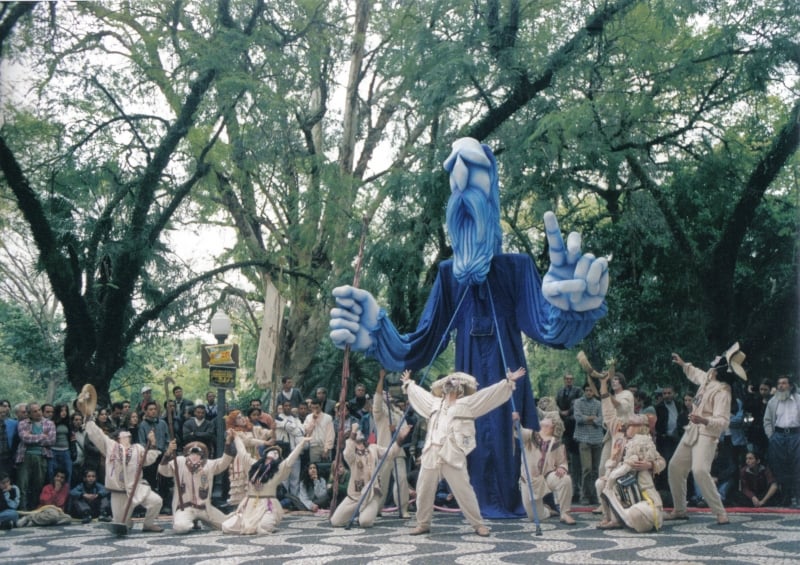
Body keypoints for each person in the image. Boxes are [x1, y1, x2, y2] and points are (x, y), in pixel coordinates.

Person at [329, 138, 609, 518]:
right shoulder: (449, 276)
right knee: (464, 437)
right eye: (455, 177)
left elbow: (548, 327)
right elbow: (421, 344)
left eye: (474, 172)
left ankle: (518, 497)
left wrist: (572, 311)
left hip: (508, 375)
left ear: (492, 191)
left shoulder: (515, 268)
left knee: (508, 439)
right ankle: (466, 505)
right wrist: (379, 332)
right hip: (464, 381)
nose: (461, 182)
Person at [400, 366, 527, 537]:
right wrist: (408, 383)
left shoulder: (467, 403)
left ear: (460, 389)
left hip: (452, 452)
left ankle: (478, 524)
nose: (451, 383)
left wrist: (507, 382)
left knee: (464, 491)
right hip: (432, 451)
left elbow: (488, 395)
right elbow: (418, 394)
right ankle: (423, 523)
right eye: (449, 381)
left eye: (455, 381)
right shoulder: (434, 403)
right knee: (423, 489)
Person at [666, 344, 746, 525]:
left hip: (707, 434)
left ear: (721, 368)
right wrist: (683, 364)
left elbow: (723, 421)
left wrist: (704, 420)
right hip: (692, 430)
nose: (715, 358)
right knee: (675, 467)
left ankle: (720, 512)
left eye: (719, 359)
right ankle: (680, 509)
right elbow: (697, 374)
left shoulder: (723, 391)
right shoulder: (709, 378)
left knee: (700, 470)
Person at [84, 415, 164, 533]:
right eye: (124, 435)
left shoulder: (138, 448)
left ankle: (148, 524)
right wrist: (89, 421)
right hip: (119, 491)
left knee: (156, 501)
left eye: (129, 436)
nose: (127, 437)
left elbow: (148, 460)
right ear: (117, 438)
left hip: (137, 487)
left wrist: (152, 444)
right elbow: (98, 436)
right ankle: (127, 521)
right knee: (121, 523)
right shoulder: (111, 446)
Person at [221, 435, 311, 535]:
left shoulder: (278, 470)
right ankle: (250, 525)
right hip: (250, 505)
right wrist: (236, 438)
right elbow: (243, 453)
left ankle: (257, 525)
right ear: (265, 454)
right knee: (226, 526)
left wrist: (302, 443)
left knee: (265, 526)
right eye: (272, 451)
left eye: (277, 453)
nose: (274, 453)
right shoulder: (253, 465)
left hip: (267, 505)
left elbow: (290, 460)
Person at [329, 421, 411, 528]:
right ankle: (359, 512)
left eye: (359, 431)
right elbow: (347, 453)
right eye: (355, 433)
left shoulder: (373, 448)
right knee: (335, 521)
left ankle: (365, 513)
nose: (358, 432)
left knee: (365, 522)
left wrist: (400, 439)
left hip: (372, 495)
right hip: (355, 496)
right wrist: (353, 433)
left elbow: (390, 453)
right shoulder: (351, 454)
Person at [596, 414, 665, 532]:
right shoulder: (620, 441)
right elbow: (614, 462)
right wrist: (610, 466)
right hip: (620, 478)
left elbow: (662, 462)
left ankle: (621, 519)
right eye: (628, 425)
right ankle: (609, 518)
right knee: (600, 483)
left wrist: (650, 465)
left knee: (612, 485)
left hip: (639, 484)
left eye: (631, 425)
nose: (627, 428)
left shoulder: (643, 442)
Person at [158, 430, 236, 533]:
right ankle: (190, 521)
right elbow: (163, 470)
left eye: (198, 454)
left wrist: (228, 443)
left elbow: (224, 462)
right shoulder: (180, 462)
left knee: (228, 525)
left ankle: (205, 520)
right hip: (185, 508)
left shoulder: (209, 465)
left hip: (205, 508)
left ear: (204, 456)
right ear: (186, 454)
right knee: (180, 527)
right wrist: (168, 453)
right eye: (192, 453)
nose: (195, 457)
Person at [514, 411, 576, 525]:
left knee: (565, 479)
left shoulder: (557, 443)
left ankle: (565, 513)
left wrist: (562, 468)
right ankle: (547, 510)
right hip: (529, 480)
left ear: (553, 426)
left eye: (549, 418)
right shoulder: (530, 435)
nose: (544, 418)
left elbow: (562, 462)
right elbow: (520, 431)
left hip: (547, 477)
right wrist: (516, 421)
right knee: (534, 516)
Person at [373, 368, 411, 518]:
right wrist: (381, 378)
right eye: (385, 394)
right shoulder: (379, 412)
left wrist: (397, 431)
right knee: (382, 481)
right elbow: (377, 397)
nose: (387, 395)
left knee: (402, 479)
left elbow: (405, 431)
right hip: (383, 450)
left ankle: (403, 508)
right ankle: (377, 508)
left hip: (398, 451)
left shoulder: (399, 412)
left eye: (388, 394)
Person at [763, 375, 800, 507]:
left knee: (797, 466)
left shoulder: (798, 400)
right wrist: (771, 437)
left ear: (790, 386)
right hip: (778, 436)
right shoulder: (773, 402)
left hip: (796, 435)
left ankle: (798, 497)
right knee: (780, 467)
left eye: (784, 383)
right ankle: (786, 498)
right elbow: (767, 421)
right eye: (779, 383)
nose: (780, 386)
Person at [15, 402, 55, 510]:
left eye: (39, 410)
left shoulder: (49, 423)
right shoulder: (23, 423)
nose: (38, 413)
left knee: (38, 485)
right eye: (35, 411)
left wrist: (33, 437)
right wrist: (42, 436)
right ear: (29, 414)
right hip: (25, 456)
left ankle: (34, 510)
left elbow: (51, 441)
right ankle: (23, 510)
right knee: (22, 485)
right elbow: (25, 438)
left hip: (41, 456)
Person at [573, 382, 603, 505]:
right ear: (584, 391)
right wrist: (592, 418)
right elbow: (578, 418)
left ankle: (595, 495)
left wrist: (588, 419)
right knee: (587, 468)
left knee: (596, 469)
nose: (589, 392)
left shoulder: (599, 404)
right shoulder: (578, 402)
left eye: (591, 390)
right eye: (586, 390)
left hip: (597, 438)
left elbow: (601, 420)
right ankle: (584, 495)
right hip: (583, 438)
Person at [138, 401, 171, 513]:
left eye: (154, 409)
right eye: (150, 409)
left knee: (164, 479)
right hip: (150, 456)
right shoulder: (142, 425)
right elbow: (142, 442)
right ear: (146, 411)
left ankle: (165, 505)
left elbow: (167, 439)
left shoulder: (163, 423)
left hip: (162, 455)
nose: (153, 411)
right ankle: (150, 506)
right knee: (150, 479)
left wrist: (166, 451)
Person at [556, 373, 582, 501]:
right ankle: (566, 491)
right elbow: (556, 405)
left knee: (576, 462)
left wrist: (568, 412)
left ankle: (577, 490)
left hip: (575, 429)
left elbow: (578, 404)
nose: (569, 381)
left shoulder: (578, 391)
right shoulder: (560, 392)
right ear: (564, 380)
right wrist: (560, 413)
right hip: (564, 430)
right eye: (567, 379)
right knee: (564, 460)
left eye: (571, 379)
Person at [655, 385, 685, 490]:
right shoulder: (659, 407)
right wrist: (661, 433)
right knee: (666, 462)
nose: (667, 395)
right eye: (664, 393)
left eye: (669, 393)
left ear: (674, 394)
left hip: (677, 438)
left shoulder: (679, 405)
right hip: (665, 439)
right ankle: (666, 488)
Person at [304, 398, 334, 466]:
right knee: (314, 467)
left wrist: (327, 449)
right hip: (313, 447)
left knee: (326, 467)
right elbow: (307, 431)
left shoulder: (328, 418)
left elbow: (330, 435)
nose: (315, 410)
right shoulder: (308, 417)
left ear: (321, 406)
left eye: (317, 407)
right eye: (313, 408)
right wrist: (313, 420)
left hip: (325, 446)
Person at [48, 403, 73, 486]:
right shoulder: (52, 423)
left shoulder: (68, 423)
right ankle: (52, 490)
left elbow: (71, 437)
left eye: (65, 410)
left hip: (66, 451)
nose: (64, 412)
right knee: (52, 472)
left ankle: (66, 491)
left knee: (68, 471)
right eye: (62, 410)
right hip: (53, 450)